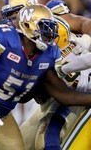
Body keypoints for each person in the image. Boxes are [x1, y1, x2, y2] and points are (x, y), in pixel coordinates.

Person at [0, 3, 91, 150]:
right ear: (29, 25)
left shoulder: (48, 54)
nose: (50, 34)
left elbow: (64, 95)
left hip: (1, 114)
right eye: (44, 27)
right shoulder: (5, 40)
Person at [20, 15, 91, 150]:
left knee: (46, 138)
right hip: (65, 98)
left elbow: (65, 95)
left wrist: (63, 68)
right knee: (22, 141)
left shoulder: (57, 55)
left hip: (76, 98)